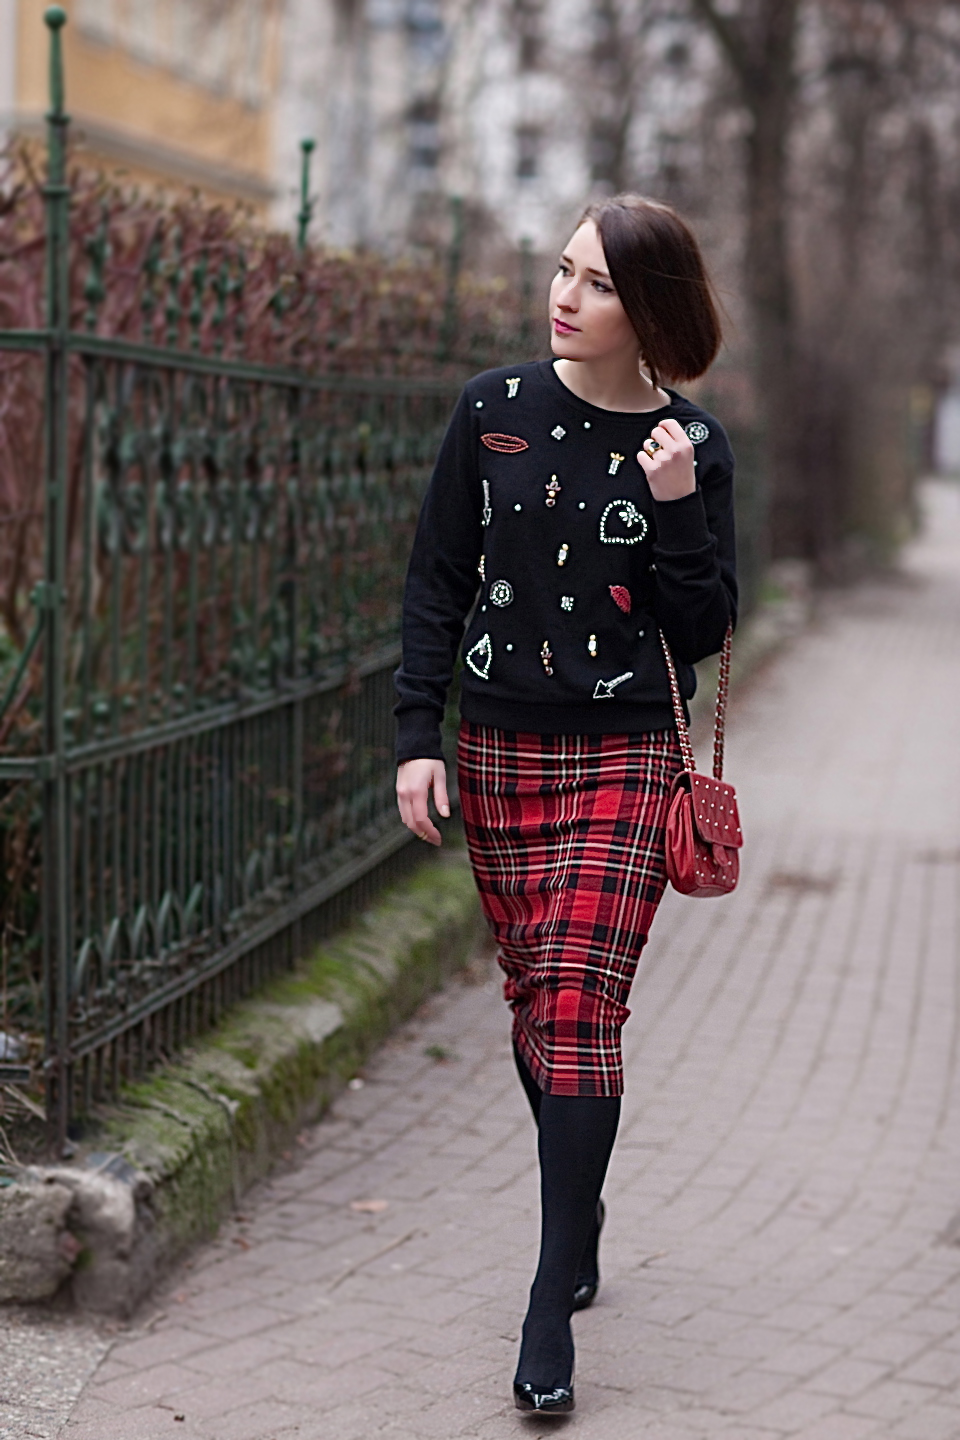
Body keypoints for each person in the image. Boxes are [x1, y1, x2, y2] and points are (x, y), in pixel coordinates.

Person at [394, 195, 736, 1415]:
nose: (565, 296)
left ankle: (550, 1301)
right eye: (563, 270)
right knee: (538, 1001)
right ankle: (578, 1209)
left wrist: (678, 504)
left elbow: (704, 631)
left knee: (584, 1002)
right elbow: (438, 579)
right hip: (498, 751)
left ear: (648, 311)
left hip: (627, 758)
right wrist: (415, 737)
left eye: (596, 283)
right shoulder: (490, 409)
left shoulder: (690, 443)